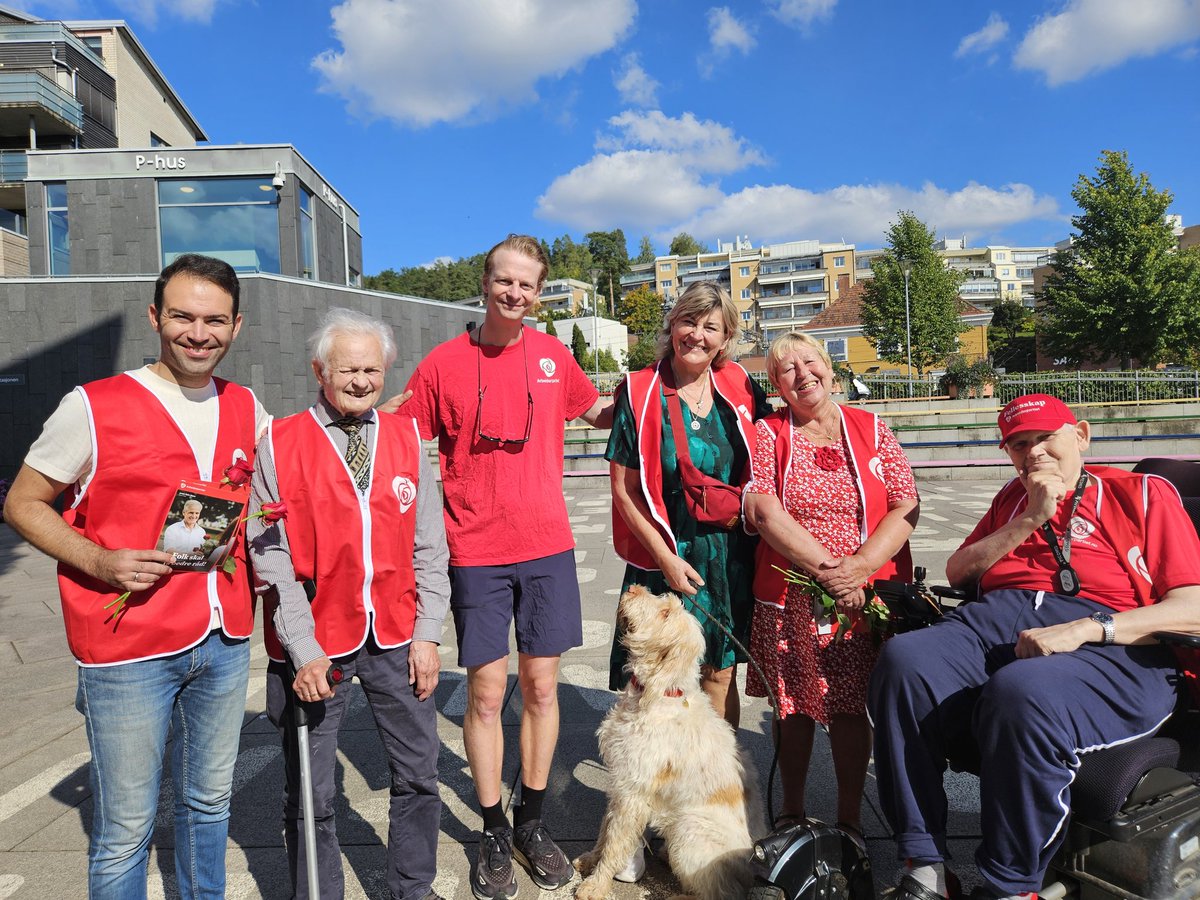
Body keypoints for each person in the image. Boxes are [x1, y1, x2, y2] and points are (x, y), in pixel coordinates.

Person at [2, 254, 267, 899]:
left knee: (208, 806)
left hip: (225, 639)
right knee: (125, 829)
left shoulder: (246, 405)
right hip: (129, 647)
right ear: (156, 317)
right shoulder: (92, 405)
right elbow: (21, 502)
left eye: (213, 320)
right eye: (182, 316)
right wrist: (95, 557)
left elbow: (289, 476)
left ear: (235, 327)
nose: (197, 333)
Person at [868, 394, 1200, 900]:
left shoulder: (1142, 493)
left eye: (1045, 437)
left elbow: (1193, 607)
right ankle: (926, 865)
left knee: (1022, 690)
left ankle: (1010, 883)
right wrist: (1028, 517)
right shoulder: (1011, 499)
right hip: (996, 623)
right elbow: (958, 571)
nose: (1033, 453)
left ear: (1081, 436)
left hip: (1115, 646)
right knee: (905, 660)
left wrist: (1090, 628)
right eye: (1020, 445)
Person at [404, 235, 613, 900]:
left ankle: (532, 821)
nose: (514, 294)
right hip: (476, 551)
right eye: (504, 281)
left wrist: (657, 385)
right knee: (489, 695)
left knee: (544, 690)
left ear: (540, 292)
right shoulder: (442, 364)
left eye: (527, 286)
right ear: (485, 280)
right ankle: (492, 827)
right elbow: (401, 437)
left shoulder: (554, 356)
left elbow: (600, 411)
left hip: (547, 545)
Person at [248, 308, 450, 900]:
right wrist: (301, 648)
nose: (361, 381)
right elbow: (269, 553)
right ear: (320, 370)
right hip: (315, 644)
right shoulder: (279, 442)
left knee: (418, 776)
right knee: (311, 792)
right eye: (347, 369)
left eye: (372, 369)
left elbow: (430, 546)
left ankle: (411, 888)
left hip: (396, 634)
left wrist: (428, 634)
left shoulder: (407, 437)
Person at [743, 331, 918, 840]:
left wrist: (860, 567)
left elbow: (906, 503)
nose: (801, 374)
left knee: (848, 706)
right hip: (793, 595)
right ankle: (791, 811)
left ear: (830, 368)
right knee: (792, 706)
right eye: (786, 369)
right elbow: (763, 509)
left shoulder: (871, 428)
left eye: (809, 361)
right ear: (776, 385)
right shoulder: (768, 432)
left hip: (862, 595)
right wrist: (831, 573)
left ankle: (849, 817)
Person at [607, 280, 770, 726]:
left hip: (728, 554)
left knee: (719, 675)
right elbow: (623, 489)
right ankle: (653, 784)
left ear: (726, 338)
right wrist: (666, 560)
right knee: (656, 680)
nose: (697, 334)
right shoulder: (639, 391)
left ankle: (716, 783)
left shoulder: (738, 384)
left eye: (710, 327)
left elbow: (776, 444)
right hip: (664, 553)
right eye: (688, 321)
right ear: (672, 326)